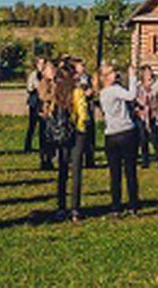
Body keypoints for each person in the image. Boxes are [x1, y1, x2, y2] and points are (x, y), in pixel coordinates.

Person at [43, 57, 89, 222]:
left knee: (62, 169)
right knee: (76, 171)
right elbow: (83, 114)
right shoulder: (77, 92)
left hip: (61, 134)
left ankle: (61, 207)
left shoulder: (58, 92)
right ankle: (75, 208)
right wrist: (82, 125)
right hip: (76, 133)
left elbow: (52, 112)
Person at [98, 64, 142, 217]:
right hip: (126, 131)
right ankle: (133, 204)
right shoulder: (115, 90)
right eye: (112, 72)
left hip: (111, 133)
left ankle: (116, 205)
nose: (116, 74)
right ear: (106, 77)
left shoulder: (102, 93)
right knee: (130, 170)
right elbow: (131, 96)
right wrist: (132, 77)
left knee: (114, 173)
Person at [135, 65, 158, 169]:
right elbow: (134, 97)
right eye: (147, 72)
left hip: (153, 114)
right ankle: (145, 161)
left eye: (150, 72)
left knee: (155, 138)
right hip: (141, 115)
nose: (149, 74)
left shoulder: (157, 84)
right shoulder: (138, 85)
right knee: (142, 139)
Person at [24, 57, 45, 161]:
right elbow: (29, 87)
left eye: (43, 63)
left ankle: (43, 146)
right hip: (35, 102)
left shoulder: (46, 74)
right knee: (32, 125)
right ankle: (27, 146)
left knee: (43, 126)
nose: (42, 66)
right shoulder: (33, 74)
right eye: (40, 63)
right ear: (37, 65)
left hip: (43, 102)